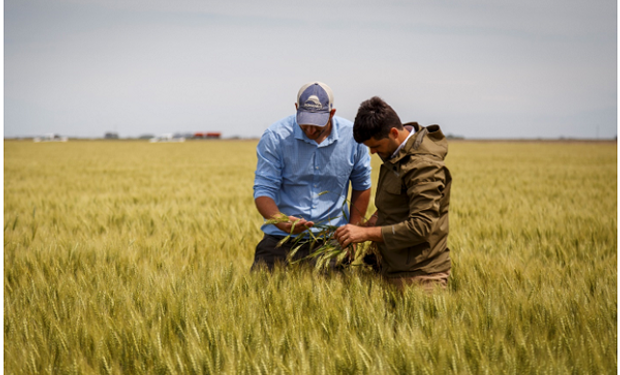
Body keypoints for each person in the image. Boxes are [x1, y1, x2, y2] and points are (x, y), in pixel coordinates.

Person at [334, 96, 452, 292]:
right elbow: (398, 201)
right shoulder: (396, 153)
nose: (372, 152)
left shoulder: (423, 166)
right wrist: (373, 221)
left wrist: (365, 233)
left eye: (376, 146)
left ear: (394, 132)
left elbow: (422, 226)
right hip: (390, 269)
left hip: (420, 276)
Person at [252, 82, 372, 270]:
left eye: (316, 123)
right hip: (280, 239)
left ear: (332, 113)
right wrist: (281, 221)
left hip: (332, 240)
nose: (309, 129)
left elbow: (362, 185)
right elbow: (263, 190)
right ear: (296, 108)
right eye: (304, 121)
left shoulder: (353, 137)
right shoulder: (275, 137)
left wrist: (354, 232)